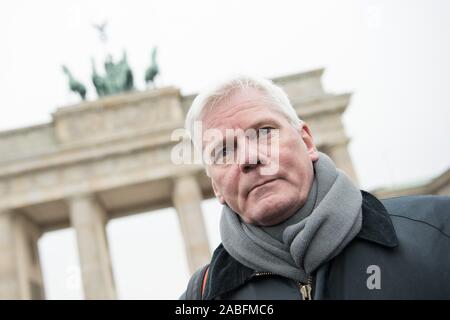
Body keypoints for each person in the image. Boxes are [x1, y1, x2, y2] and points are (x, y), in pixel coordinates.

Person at [180, 75, 450, 300]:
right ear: (216, 186)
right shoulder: (201, 298)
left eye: (264, 132)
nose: (250, 158)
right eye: (224, 150)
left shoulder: (438, 230)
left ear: (307, 141)